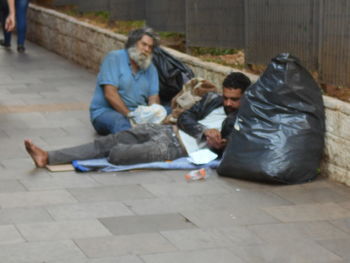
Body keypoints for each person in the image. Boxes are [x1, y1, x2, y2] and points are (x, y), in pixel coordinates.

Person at [24, 72, 251, 168]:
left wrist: (222, 144)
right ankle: (48, 157)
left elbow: (236, 150)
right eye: (226, 98)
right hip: (166, 131)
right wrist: (203, 131)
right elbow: (186, 116)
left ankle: (107, 155)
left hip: (175, 148)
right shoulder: (212, 100)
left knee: (118, 154)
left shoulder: (245, 119)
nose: (228, 103)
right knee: (105, 142)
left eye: (234, 100)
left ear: (245, 97)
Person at [90, 27, 161, 135]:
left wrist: (153, 112)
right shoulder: (114, 58)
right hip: (107, 112)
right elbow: (110, 94)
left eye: (150, 47)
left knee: (169, 113)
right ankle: (134, 148)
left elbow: (153, 97)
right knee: (122, 123)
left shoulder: (150, 68)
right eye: (144, 44)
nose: (147, 50)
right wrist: (130, 115)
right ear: (133, 43)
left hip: (137, 114)